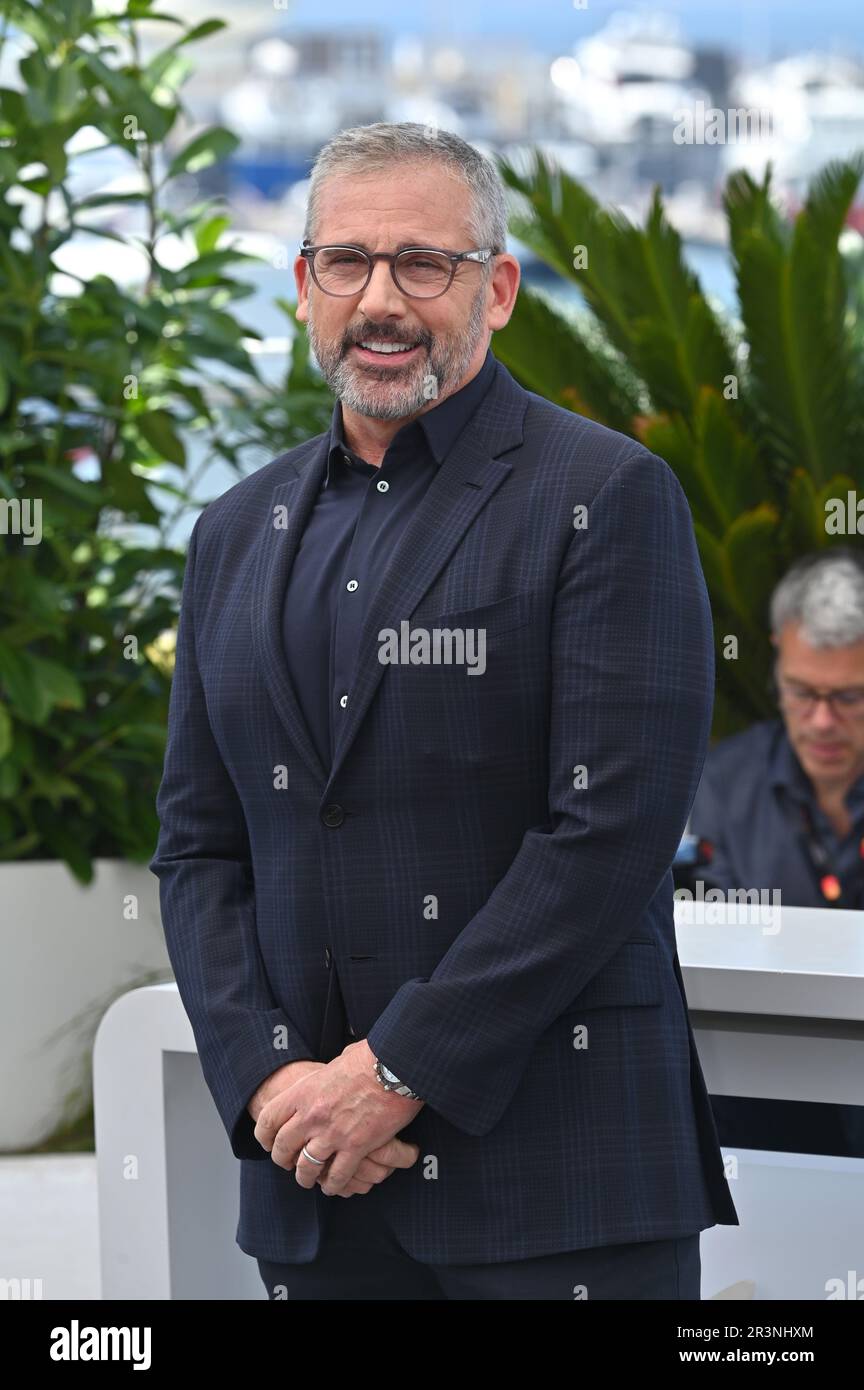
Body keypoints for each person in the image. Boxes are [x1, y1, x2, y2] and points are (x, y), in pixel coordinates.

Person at [149, 120, 737, 1302]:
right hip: (313, 1185)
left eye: (424, 263)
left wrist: (392, 1072)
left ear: (500, 289)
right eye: (346, 262)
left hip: (558, 1189)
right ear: (304, 284)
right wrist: (272, 1083)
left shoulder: (609, 495)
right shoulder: (230, 535)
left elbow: (606, 838)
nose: (382, 299)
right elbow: (200, 846)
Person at [688, 547, 864, 1159]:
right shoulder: (719, 790)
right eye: (800, 691)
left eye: (848, 697)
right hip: (765, 1142)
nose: (820, 721)